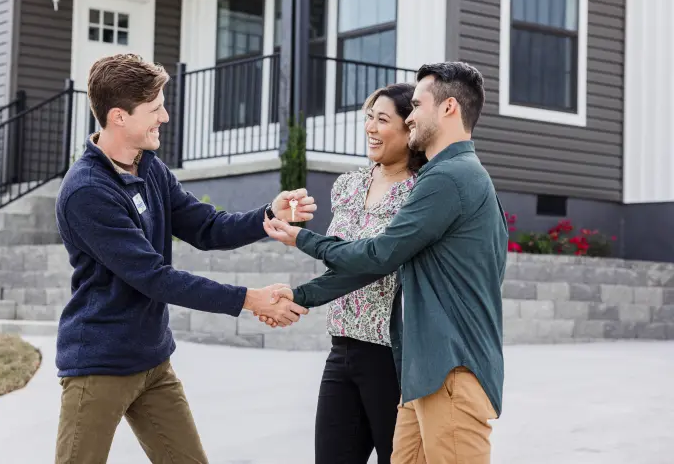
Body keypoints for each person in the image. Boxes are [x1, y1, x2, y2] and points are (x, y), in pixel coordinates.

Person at [53, 53, 313, 464]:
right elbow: (155, 277)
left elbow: (205, 226)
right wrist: (250, 299)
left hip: (153, 361)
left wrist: (267, 216)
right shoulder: (88, 191)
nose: (166, 116)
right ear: (119, 117)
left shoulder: (149, 167)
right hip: (99, 366)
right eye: (155, 109)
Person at [263, 62, 508, 464]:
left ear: (448, 108)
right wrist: (301, 293)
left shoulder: (448, 179)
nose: (411, 117)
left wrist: (302, 238)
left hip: (449, 366)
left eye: (416, 106)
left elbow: (379, 255)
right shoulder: (451, 176)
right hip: (425, 368)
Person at [290, 83, 428, 463]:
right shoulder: (348, 186)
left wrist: (300, 287)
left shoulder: (422, 193)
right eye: (368, 117)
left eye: (382, 119)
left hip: (391, 356)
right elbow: (342, 258)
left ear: (409, 129)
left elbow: (375, 261)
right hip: (342, 348)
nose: (370, 127)